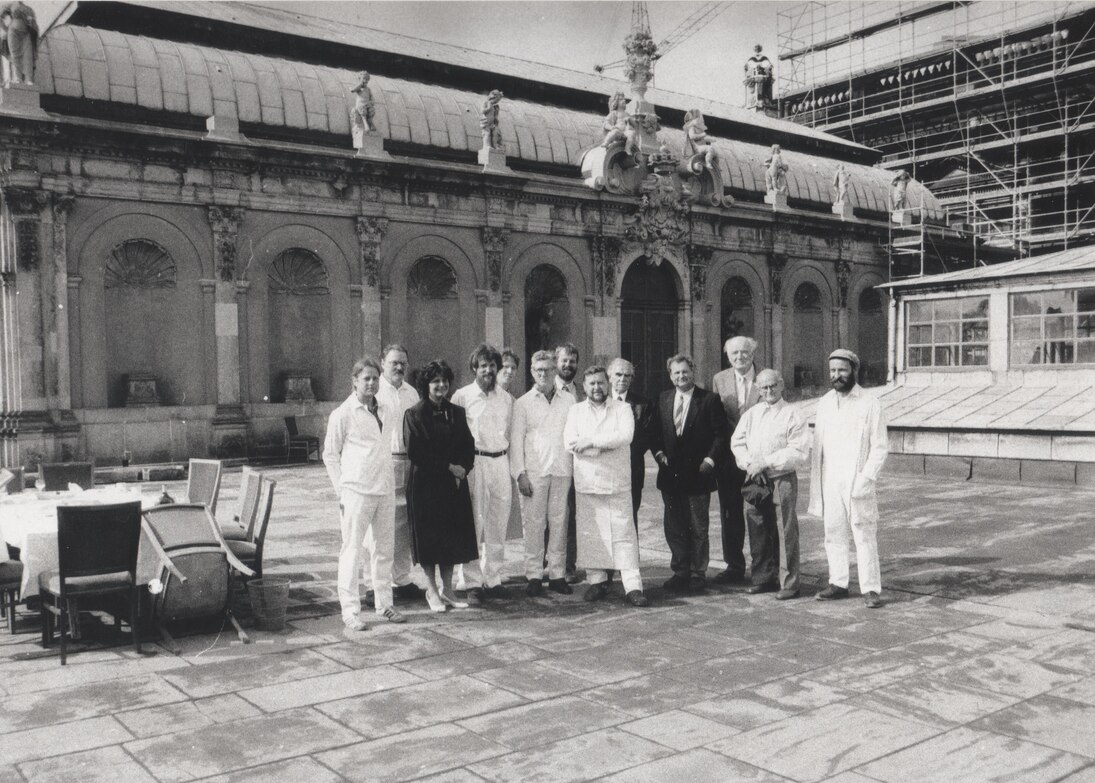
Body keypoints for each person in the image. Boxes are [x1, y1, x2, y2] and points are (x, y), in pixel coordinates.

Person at [322, 357, 405, 632]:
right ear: (354, 381)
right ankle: (350, 611)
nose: (371, 383)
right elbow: (330, 455)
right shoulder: (342, 414)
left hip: (384, 488)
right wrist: (341, 491)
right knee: (352, 550)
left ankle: (384, 605)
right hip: (356, 492)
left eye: (374, 378)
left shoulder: (386, 409)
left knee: (384, 549)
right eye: (365, 378)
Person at [808, 349, 889, 609]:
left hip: (857, 479)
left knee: (864, 533)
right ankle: (838, 583)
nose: (836, 376)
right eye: (832, 371)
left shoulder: (869, 403)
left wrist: (866, 478)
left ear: (854, 370)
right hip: (830, 478)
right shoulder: (824, 403)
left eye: (842, 370)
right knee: (833, 533)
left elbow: (879, 447)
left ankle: (871, 589)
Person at [564, 365, 648, 607]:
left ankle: (633, 586)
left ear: (607, 383)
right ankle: (596, 581)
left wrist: (590, 442)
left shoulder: (622, 409)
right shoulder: (575, 411)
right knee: (591, 534)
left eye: (600, 383)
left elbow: (624, 436)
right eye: (591, 383)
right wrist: (603, 446)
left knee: (624, 535)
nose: (597, 388)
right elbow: (569, 442)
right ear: (584, 386)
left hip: (616, 482)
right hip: (587, 482)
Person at [404, 360, 479, 612]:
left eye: (444, 380)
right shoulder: (414, 414)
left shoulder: (456, 412)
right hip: (425, 485)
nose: (441, 385)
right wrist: (449, 467)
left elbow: (468, 445)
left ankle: (447, 590)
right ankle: (432, 591)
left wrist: (463, 468)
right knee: (429, 540)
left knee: (449, 538)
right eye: (435, 381)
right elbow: (417, 452)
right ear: (426, 384)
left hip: (452, 486)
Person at [651, 353, 728, 594]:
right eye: (676, 372)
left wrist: (709, 460)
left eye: (685, 371)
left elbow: (720, 434)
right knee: (674, 526)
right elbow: (654, 433)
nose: (681, 376)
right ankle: (680, 570)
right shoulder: (663, 399)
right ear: (670, 375)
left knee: (698, 526)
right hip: (670, 474)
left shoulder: (709, 400)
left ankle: (697, 572)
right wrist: (659, 454)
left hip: (698, 474)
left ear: (692, 372)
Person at [730, 369, 810, 600]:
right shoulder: (752, 414)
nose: (769, 391)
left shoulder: (793, 413)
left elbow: (798, 450)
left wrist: (766, 463)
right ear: (758, 389)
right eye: (763, 387)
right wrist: (750, 465)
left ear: (782, 384)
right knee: (757, 527)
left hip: (781, 477)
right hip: (755, 478)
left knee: (785, 530)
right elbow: (737, 442)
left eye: (773, 386)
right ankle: (763, 578)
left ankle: (790, 583)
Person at [451, 343, 514, 604]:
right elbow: (453, 435)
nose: (488, 370)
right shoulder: (462, 397)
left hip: (500, 461)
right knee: (475, 524)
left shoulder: (507, 399)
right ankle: (472, 581)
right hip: (475, 462)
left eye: (492, 365)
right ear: (474, 368)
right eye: (483, 365)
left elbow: (509, 433)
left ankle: (494, 577)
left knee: (498, 523)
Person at [510, 350, 574, 597]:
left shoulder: (568, 401)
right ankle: (534, 575)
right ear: (532, 372)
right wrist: (520, 474)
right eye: (539, 370)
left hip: (561, 470)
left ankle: (557, 575)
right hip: (534, 473)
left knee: (559, 524)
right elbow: (515, 442)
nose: (544, 374)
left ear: (555, 371)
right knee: (534, 526)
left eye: (548, 369)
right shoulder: (523, 403)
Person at [376, 344, 425, 604]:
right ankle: (375, 583)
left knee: (405, 523)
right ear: (382, 362)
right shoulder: (375, 390)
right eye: (394, 362)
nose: (399, 367)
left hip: (408, 463)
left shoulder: (411, 392)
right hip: (383, 463)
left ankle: (403, 579)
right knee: (381, 525)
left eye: (403, 363)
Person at [711, 336, 761, 585]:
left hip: (759, 459)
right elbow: (715, 419)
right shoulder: (719, 380)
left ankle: (764, 567)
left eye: (744, 352)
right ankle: (734, 566)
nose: (740, 357)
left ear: (753, 353)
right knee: (730, 513)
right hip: (729, 460)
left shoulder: (766, 378)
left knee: (759, 512)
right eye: (734, 354)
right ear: (727, 356)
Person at [607, 357, 653, 528]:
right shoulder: (600, 400)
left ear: (632, 379)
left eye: (627, 375)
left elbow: (646, 438)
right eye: (618, 374)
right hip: (604, 469)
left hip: (632, 469)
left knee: (629, 519)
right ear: (609, 376)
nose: (622, 379)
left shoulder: (643, 404)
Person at [554, 342, 584, 582]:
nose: (568, 365)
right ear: (556, 362)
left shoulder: (581, 392)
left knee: (573, 516)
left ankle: (569, 566)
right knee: (552, 515)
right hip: (555, 463)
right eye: (564, 360)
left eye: (572, 361)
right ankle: (549, 565)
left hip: (581, 465)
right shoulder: (547, 390)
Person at [497, 347, 524, 543]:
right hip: (482, 460)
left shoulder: (516, 402)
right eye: (505, 366)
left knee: (500, 519)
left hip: (504, 462)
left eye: (513, 367)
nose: (509, 371)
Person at [0, 1, 37, 86]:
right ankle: (18, 78)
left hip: (26, 34)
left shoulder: (29, 9)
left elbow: (33, 24)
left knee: (28, 56)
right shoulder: (11, 5)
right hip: (13, 33)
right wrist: (6, 29)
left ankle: (28, 79)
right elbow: (0, 14)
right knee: (15, 55)